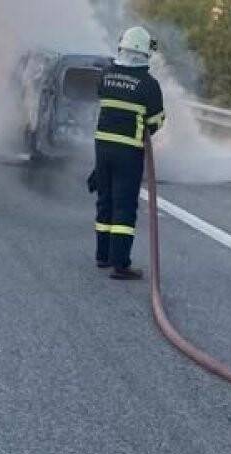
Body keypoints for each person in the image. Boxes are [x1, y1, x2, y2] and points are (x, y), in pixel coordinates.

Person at [90, 26, 165, 281]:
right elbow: (155, 121)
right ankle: (120, 265)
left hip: (102, 148)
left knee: (105, 201)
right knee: (124, 207)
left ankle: (103, 255)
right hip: (128, 152)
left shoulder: (106, 75)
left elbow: (102, 100)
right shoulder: (149, 84)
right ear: (145, 52)